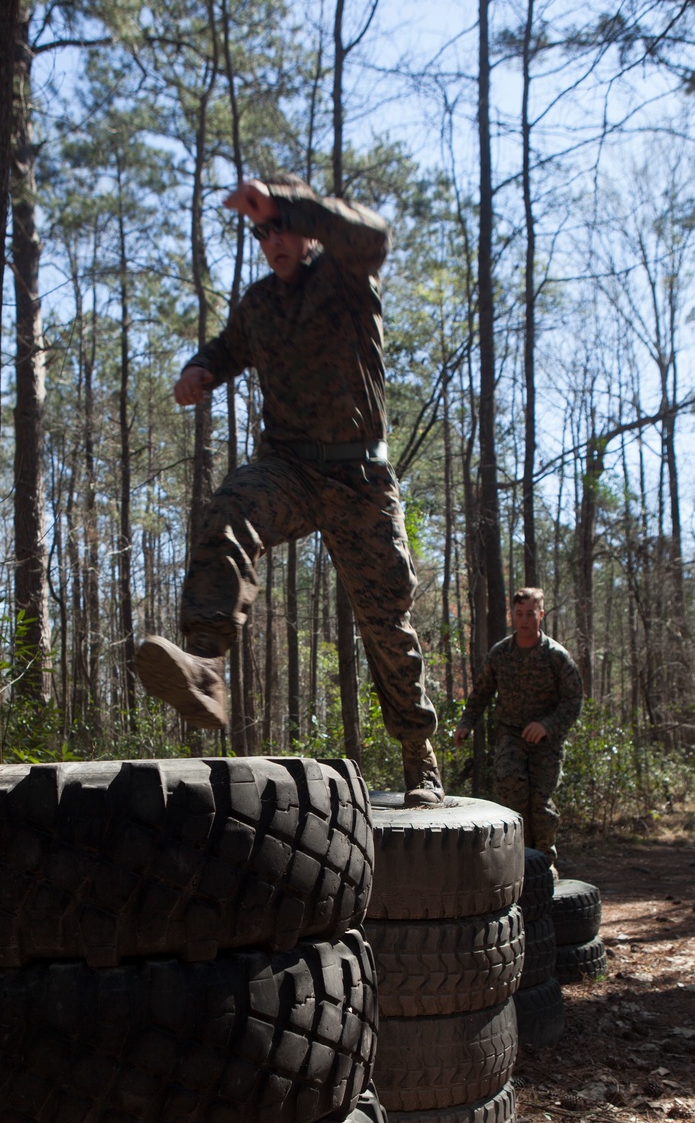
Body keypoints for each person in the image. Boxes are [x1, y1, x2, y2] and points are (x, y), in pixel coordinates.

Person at [135, 173, 443, 806]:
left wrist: (290, 205)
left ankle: (420, 756)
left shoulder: (346, 277)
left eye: (283, 226)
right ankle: (205, 666)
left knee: (387, 624)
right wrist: (201, 369)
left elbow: (373, 235)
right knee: (232, 509)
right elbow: (229, 346)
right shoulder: (259, 304)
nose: (273, 238)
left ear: (306, 229)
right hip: (291, 470)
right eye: (263, 230)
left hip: (360, 478)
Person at [453, 588, 582, 862]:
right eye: (519, 614)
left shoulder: (557, 657)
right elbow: (482, 692)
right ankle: (514, 859)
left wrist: (547, 725)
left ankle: (544, 861)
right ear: (513, 615)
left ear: (541, 615)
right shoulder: (501, 654)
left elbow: (573, 701)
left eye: (530, 614)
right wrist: (466, 723)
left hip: (546, 742)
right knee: (510, 787)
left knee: (540, 803)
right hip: (511, 734)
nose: (524, 620)